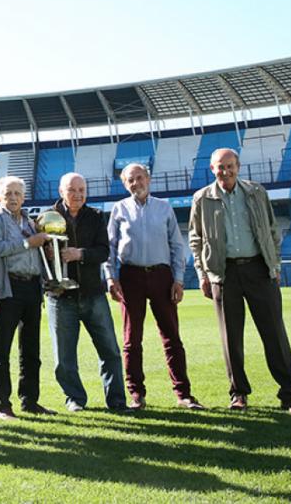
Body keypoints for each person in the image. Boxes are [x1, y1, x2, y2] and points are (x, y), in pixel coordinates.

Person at [189, 148, 291, 416]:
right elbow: (196, 239)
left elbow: (272, 229)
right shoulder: (202, 198)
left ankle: (289, 396)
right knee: (231, 338)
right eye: (220, 167)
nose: (225, 171)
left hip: (259, 269)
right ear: (212, 169)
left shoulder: (256, 192)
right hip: (223, 273)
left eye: (230, 166)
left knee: (275, 334)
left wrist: (274, 265)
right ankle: (238, 393)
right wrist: (203, 274)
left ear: (238, 167)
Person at [107, 163, 204, 410]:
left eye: (139, 178)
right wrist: (111, 278)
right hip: (130, 277)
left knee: (172, 337)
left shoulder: (164, 207)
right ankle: (136, 394)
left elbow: (176, 245)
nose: (135, 183)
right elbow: (110, 247)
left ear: (148, 179)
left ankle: (183, 393)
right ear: (124, 183)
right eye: (130, 179)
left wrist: (179, 279)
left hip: (162, 276)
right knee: (131, 340)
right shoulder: (119, 209)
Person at [46, 172, 126, 412]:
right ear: (61, 192)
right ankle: (75, 399)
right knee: (64, 356)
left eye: (82, 190)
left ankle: (117, 401)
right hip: (60, 297)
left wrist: (79, 254)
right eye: (72, 190)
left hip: (93, 294)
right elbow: (39, 257)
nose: (78, 195)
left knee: (110, 350)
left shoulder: (95, 216)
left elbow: (104, 251)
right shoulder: (47, 217)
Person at [0, 175, 56, 419]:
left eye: (18, 193)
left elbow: (38, 249)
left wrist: (44, 248)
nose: (13, 197)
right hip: (7, 289)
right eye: (8, 193)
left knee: (31, 349)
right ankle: (1, 405)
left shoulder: (30, 220)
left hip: (31, 289)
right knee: (1, 349)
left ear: (24, 197)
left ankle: (30, 400)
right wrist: (29, 243)